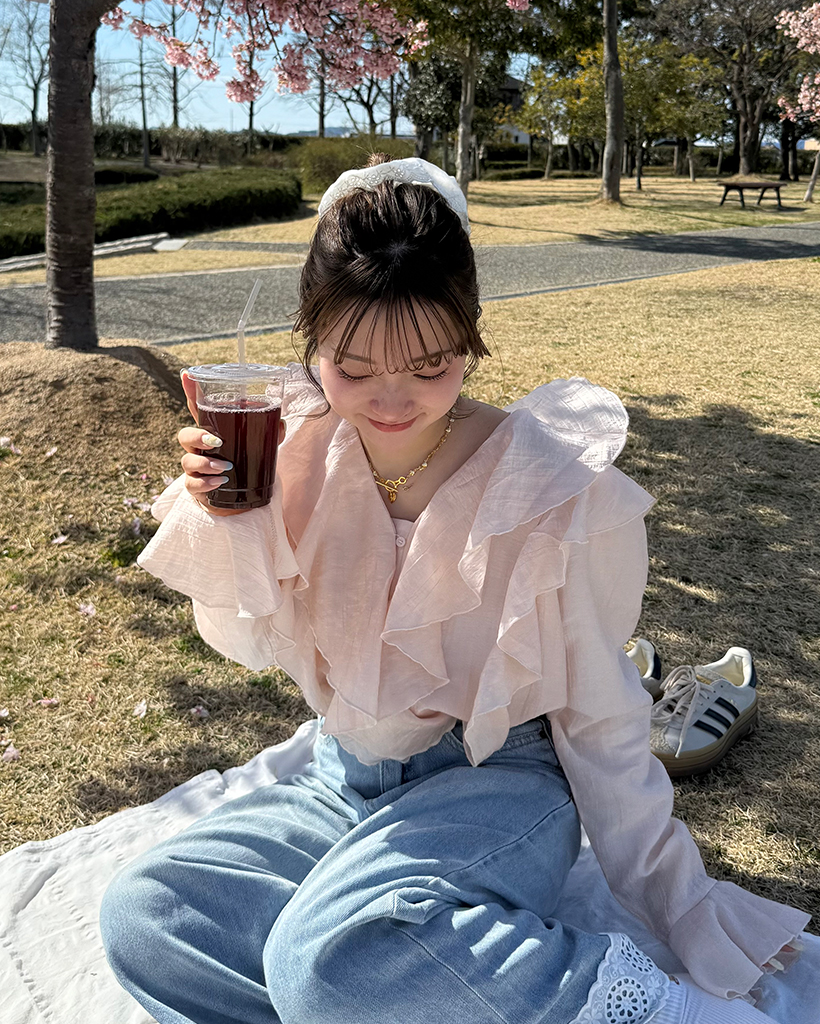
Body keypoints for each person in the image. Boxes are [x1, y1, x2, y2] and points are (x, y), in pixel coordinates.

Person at [99, 155, 809, 1024]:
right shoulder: (288, 452)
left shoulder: (546, 484)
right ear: (311, 340)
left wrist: (680, 901)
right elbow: (244, 641)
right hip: (344, 778)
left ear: (471, 336)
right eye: (352, 366)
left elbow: (601, 711)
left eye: (431, 363)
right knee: (149, 914)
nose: (392, 398)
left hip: (501, 780)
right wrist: (229, 521)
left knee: (327, 958)